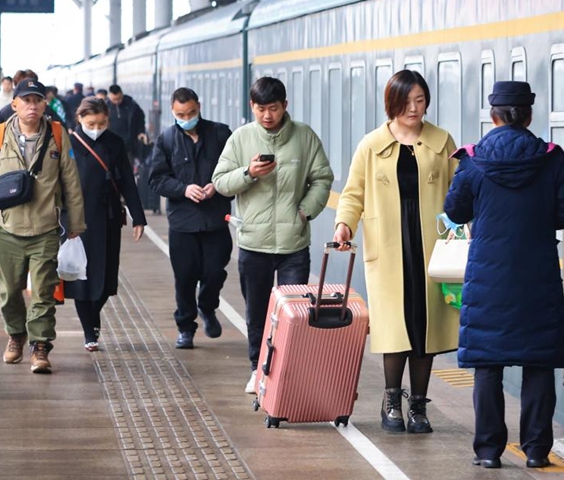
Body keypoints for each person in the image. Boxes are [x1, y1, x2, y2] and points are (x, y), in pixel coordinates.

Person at [443, 81, 564, 468]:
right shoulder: (550, 158)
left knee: (488, 365)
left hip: (488, 280)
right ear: (530, 115)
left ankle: (488, 453)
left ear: (494, 116)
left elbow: (455, 211)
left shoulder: (472, 160)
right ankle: (536, 451)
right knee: (537, 363)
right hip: (537, 275)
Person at [333, 70, 459, 434]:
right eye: (407, 102)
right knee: (394, 325)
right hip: (388, 245)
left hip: (432, 246)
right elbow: (353, 193)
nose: (415, 108)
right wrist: (344, 225)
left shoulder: (441, 140)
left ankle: (418, 406)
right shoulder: (370, 145)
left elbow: (461, 188)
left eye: (420, 101)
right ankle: (392, 401)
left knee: (425, 325)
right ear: (392, 104)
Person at [213, 77, 333, 393]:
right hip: (254, 241)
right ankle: (258, 368)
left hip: (294, 242)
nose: (267, 115)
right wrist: (248, 174)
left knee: (294, 312)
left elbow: (322, 178)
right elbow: (221, 182)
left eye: (274, 108)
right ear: (252, 107)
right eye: (261, 109)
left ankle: (286, 372)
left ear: (285, 106)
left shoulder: (304, 137)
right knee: (257, 312)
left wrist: (305, 210)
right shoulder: (241, 139)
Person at [0, 79, 86, 374]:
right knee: (10, 292)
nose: (32, 106)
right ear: (14, 104)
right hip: (6, 230)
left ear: (44, 104)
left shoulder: (57, 134)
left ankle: (40, 346)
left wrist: (75, 222)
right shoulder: (1, 135)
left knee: (43, 293)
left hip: (45, 229)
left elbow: (71, 182)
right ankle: (16, 336)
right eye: (26, 100)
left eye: (37, 100)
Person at [149, 87, 233, 350]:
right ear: (173, 112)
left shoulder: (221, 134)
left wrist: (216, 186)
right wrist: (183, 189)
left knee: (214, 272)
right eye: (181, 114)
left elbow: (234, 167)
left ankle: (207, 307)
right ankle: (186, 327)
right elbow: (156, 179)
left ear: (199, 106)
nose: (187, 117)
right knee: (184, 278)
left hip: (215, 218)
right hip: (183, 223)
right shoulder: (166, 140)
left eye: (192, 112)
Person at [65, 97, 147, 351]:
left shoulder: (114, 143)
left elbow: (127, 183)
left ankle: (94, 314)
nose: (97, 128)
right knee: (81, 277)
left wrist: (138, 216)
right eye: (91, 123)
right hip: (76, 220)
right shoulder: (68, 144)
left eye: (102, 123)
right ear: (79, 119)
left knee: (106, 276)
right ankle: (89, 331)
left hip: (109, 217)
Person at [0, 70, 65, 168]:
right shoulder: (6, 112)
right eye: (26, 98)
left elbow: (64, 135)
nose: (32, 106)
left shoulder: (47, 111)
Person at [107, 84, 147, 164]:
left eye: (119, 99)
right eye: (114, 99)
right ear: (109, 96)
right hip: (111, 145)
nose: (117, 101)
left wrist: (141, 131)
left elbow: (140, 119)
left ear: (121, 94)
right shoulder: (105, 107)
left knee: (127, 168)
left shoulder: (131, 105)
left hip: (128, 144)